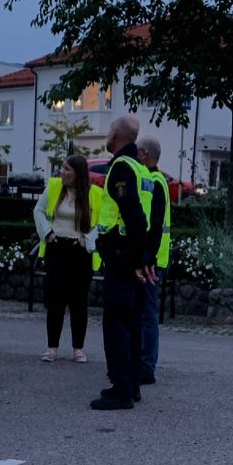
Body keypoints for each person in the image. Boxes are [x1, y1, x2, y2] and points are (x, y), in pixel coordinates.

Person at [92, 115, 159, 411]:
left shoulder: (121, 166)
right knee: (132, 323)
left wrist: (133, 257)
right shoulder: (142, 169)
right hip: (133, 257)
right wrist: (145, 257)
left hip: (121, 257)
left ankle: (121, 388)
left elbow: (132, 213)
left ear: (116, 133)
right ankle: (131, 386)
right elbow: (151, 221)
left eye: (109, 130)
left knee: (117, 324)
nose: (107, 135)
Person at [34, 154, 102, 363]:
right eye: (62, 168)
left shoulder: (95, 194)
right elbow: (38, 210)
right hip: (56, 248)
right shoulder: (54, 187)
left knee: (78, 301)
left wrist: (87, 239)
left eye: (67, 169)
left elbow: (104, 221)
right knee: (56, 300)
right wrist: (47, 234)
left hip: (80, 251)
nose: (62, 172)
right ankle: (51, 348)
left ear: (78, 173)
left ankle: (77, 349)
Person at [136, 136, 170, 385]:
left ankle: (147, 366)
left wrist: (147, 258)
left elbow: (153, 224)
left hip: (152, 261)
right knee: (145, 313)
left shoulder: (154, 182)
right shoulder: (159, 181)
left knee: (147, 314)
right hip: (155, 258)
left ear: (145, 154)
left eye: (138, 153)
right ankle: (144, 363)